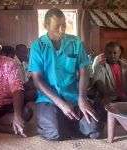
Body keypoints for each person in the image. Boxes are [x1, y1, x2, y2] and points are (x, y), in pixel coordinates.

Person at [28, 8, 99, 141]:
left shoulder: (75, 42)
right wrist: (61, 104)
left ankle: (67, 121)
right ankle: (58, 120)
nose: (62, 30)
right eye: (56, 27)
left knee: (94, 129)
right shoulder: (37, 46)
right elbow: (37, 80)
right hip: (49, 99)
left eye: (64, 25)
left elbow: (84, 71)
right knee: (55, 132)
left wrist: (82, 98)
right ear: (46, 26)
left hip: (73, 96)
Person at [93, 42, 127, 106]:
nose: (112, 55)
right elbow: (98, 81)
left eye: (115, 53)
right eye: (109, 53)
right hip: (110, 97)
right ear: (105, 54)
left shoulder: (124, 65)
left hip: (124, 96)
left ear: (119, 53)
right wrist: (105, 95)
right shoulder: (101, 66)